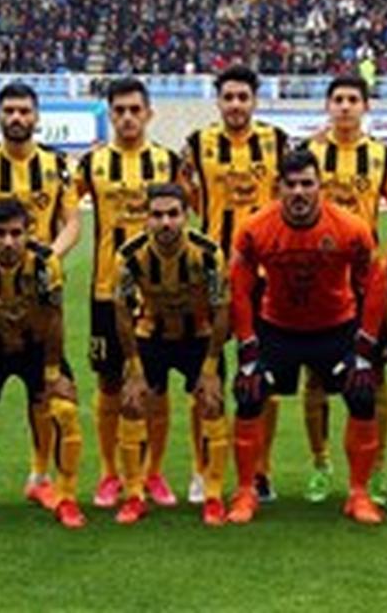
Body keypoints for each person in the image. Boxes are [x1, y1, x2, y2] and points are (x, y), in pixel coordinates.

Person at [226, 149, 387, 525]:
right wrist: (247, 345)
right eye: (291, 184)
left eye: (307, 184)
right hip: (277, 327)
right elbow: (238, 287)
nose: (299, 192)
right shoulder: (254, 229)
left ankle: (359, 494)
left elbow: (375, 284)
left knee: (362, 394)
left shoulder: (351, 228)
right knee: (249, 394)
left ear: (321, 187)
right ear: (278, 188)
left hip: (335, 326)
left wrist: (365, 346)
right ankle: (246, 491)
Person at [0, 81, 80, 510]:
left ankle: (39, 478)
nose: (17, 118)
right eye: (9, 111)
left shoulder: (57, 165)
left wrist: (46, 260)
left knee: (47, 396)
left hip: (38, 302)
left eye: (24, 111)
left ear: (37, 115)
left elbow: (72, 223)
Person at [182, 65, 289, 504]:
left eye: (243, 97)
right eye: (228, 97)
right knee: (204, 376)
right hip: (211, 275)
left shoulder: (277, 141)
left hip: (265, 277)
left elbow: (288, 195)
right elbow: (184, 191)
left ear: (255, 100)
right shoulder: (197, 143)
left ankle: (260, 471)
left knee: (265, 378)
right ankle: (202, 468)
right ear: (218, 100)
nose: (236, 105)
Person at [75, 77, 183, 509]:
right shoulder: (92, 164)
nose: (127, 117)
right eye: (119, 110)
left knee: (156, 384)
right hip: (107, 290)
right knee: (108, 381)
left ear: (148, 113)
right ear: (109, 114)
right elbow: (63, 209)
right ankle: (109, 473)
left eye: (135, 109)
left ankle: (153, 472)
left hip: (158, 293)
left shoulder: (168, 162)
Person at [298, 75, 387, 506]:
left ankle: (375, 468)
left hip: (364, 284)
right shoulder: (308, 153)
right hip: (318, 281)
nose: (344, 106)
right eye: (338, 99)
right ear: (328, 105)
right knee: (315, 376)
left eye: (352, 100)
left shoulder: (381, 155)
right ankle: (320, 464)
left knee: (374, 376)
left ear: (365, 106)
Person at [0, 199, 85, 528]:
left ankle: (58, 491)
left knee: (64, 408)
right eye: (0, 233)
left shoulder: (45, 264)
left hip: (36, 347)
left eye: (15, 233)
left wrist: (52, 373)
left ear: (29, 233)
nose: (8, 242)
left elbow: (55, 320)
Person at [112, 184, 229, 525]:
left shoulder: (208, 254)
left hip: (198, 337)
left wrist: (210, 367)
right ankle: (134, 494)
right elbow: (122, 314)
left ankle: (212, 494)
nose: (166, 222)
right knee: (132, 403)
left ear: (186, 216)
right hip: (152, 336)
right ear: (146, 218)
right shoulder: (129, 256)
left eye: (173, 214)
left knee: (212, 402)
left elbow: (222, 311)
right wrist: (134, 369)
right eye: (158, 215)